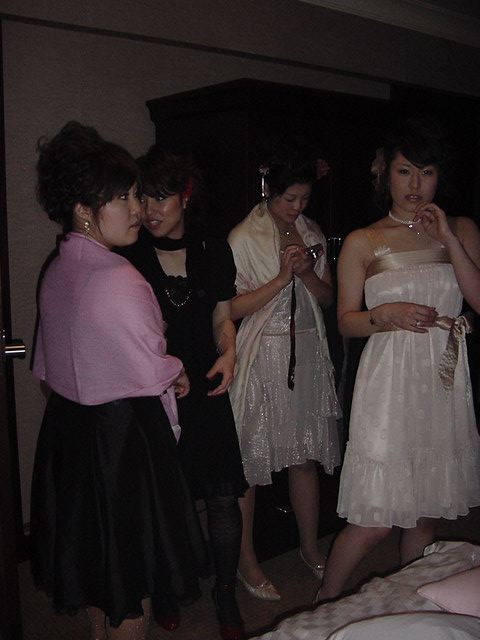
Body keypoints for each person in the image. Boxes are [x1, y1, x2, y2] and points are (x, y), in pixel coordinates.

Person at [30, 122, 206, 640]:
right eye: (124, 198)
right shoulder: (120, 277)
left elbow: (50, 367)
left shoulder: (57, 268)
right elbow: (152, 369)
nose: (137, 209)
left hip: (68, 433)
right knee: (131, 580)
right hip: (122, 440)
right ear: (85, 210)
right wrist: (177, 371)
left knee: (96, 568)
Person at [314, 117, 480, 603]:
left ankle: (409, 604)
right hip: (388, 381)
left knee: (424, 511)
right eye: (405, 171)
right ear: (386, 173)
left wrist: (448, 237)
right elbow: (345, 321)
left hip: (443, 377)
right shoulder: (364, 240)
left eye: (426, 172)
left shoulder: (461, 228)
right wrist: (382, 315)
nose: (415, 185)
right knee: (374, 519)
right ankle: (323, 601)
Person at [119, 149, 248, 640]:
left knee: (222, 496)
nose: (150, 210)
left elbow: (222, 317)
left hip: (206, 383)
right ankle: (167, 588)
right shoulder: (128, 254)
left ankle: (225, 593)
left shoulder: (214, 250)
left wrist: (229, 351)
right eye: (143, 198)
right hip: (154, 389)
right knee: (163, 498)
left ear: (185, 197)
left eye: (161, 198)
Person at [227, 149, 341, 600]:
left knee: (305, 456)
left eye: (304, 199)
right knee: (251, 463)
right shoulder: (243, 236)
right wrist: (279, 278)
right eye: (288, 199)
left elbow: (327, 299)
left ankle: (310, 546)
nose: (297, 208)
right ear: (268, 191)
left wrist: (308, 273)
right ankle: (246, 560)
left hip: (307, 349)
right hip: (263, 351)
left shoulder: (312, 231)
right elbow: (231, 307)